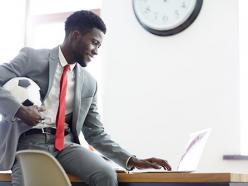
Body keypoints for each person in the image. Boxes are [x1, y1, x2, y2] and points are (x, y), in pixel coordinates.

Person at [0, 10, 171, 186]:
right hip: (30, 141)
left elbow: (95, 133)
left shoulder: (89, 83)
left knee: (106, 174)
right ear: (76, 36)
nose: (96, 51)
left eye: (99, 46)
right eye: (94, 43)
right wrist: (20, 111)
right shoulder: (32, 58)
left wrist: (131, 160)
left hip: (66, 145)